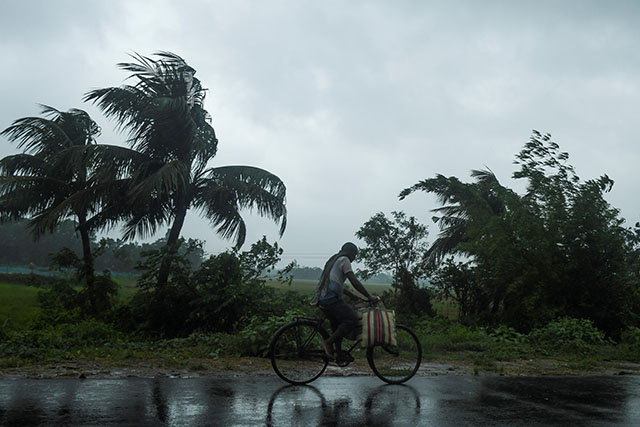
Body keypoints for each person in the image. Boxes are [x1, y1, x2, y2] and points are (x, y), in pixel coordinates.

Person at [313, 242, 379, 359]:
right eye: (354, 256)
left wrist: (351, 295)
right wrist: (369, 296)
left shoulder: (334, 260)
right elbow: (354, 281)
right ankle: (328, 343)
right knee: (352, 319)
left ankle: (338, 354)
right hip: (331, 300)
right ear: (351, 254)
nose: (354, 259)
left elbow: (336, 283)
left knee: (337, 326)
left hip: (323, 299)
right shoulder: (345, 260)